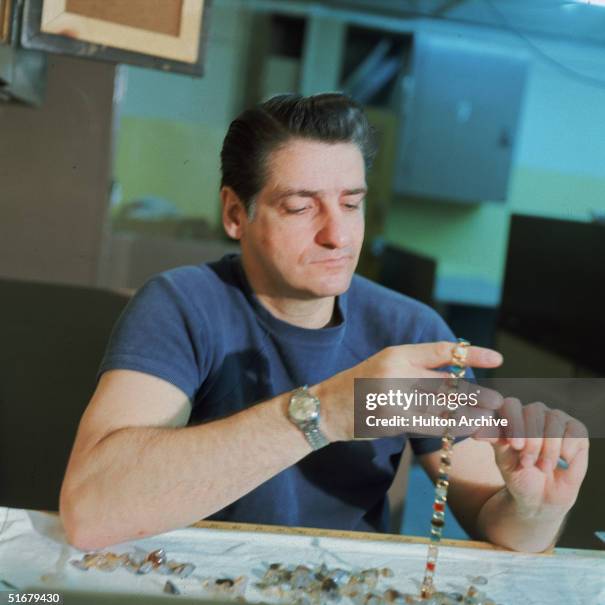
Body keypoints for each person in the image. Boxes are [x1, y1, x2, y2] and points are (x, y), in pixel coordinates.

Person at [60, 93, 588, 553]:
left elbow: (498, 526)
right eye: (299, 207)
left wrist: (534, 506)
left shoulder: (410, 330)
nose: (338, 235)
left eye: (351, 204)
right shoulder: (180, 306)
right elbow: (92, 511)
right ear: (235, 213)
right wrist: (329, 411)